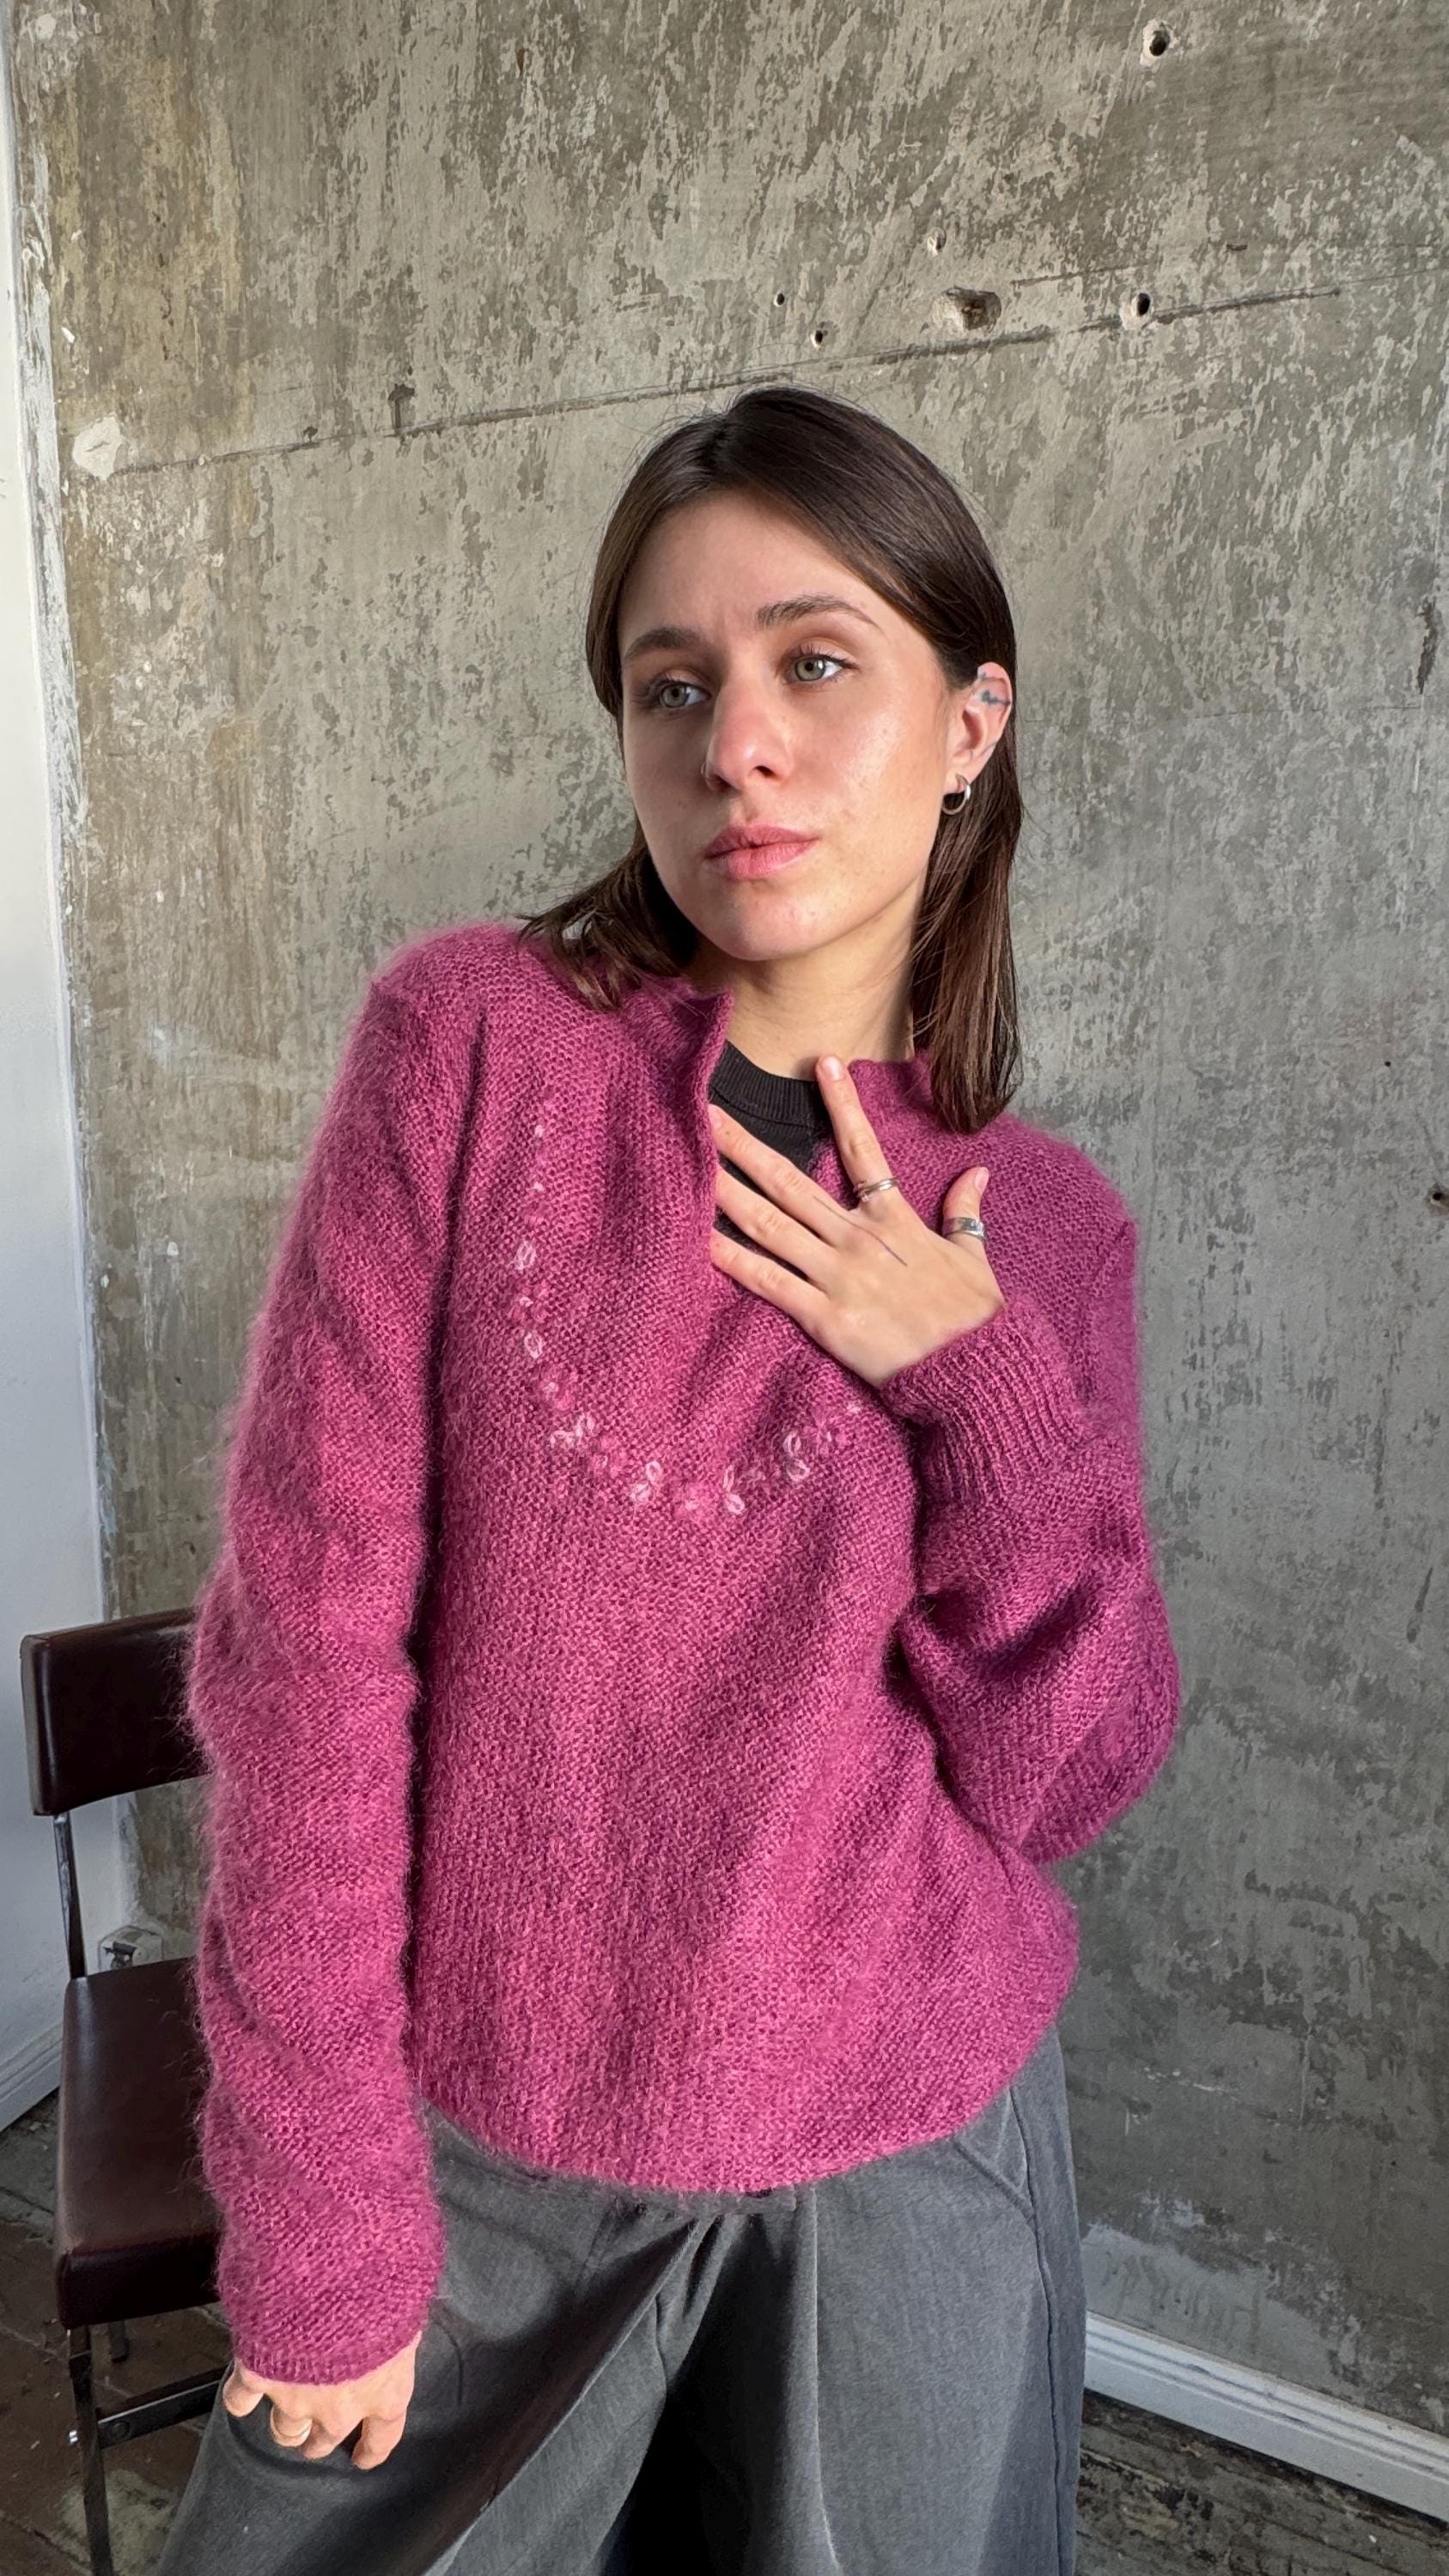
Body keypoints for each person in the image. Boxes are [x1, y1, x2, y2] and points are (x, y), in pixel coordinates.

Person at [155, 382, 1180, 2576]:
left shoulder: (1043, 1228)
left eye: (816, 663)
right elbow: (306, 1655)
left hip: (910, 2173)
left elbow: (1061, 1778)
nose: (739, 746)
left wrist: (976, 1386)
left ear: (969, 719)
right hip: (487, 2166)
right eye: (672, 684)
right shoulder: (472, 1052)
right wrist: (322, 2208)